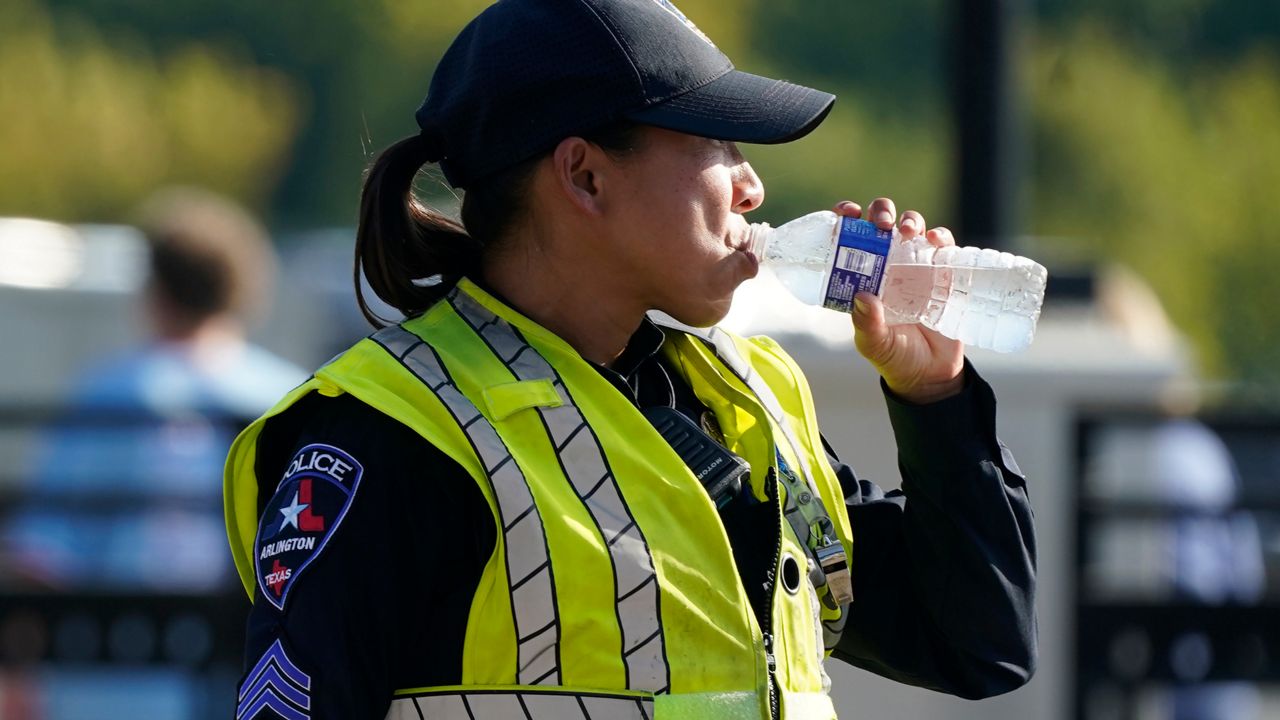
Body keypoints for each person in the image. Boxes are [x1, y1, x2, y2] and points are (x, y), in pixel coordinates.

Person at [223, 1, 1037, 718]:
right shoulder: (390, 437)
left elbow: (978, 647)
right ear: (583, 174)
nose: (752, 188)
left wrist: (935, 394)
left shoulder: (741, 401)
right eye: (717, 142)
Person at [6, 187, 306, 590]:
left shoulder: (107, 393)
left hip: (113, 640)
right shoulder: (288, 397)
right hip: (249, 646)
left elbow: (43, 557)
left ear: (156, 288)